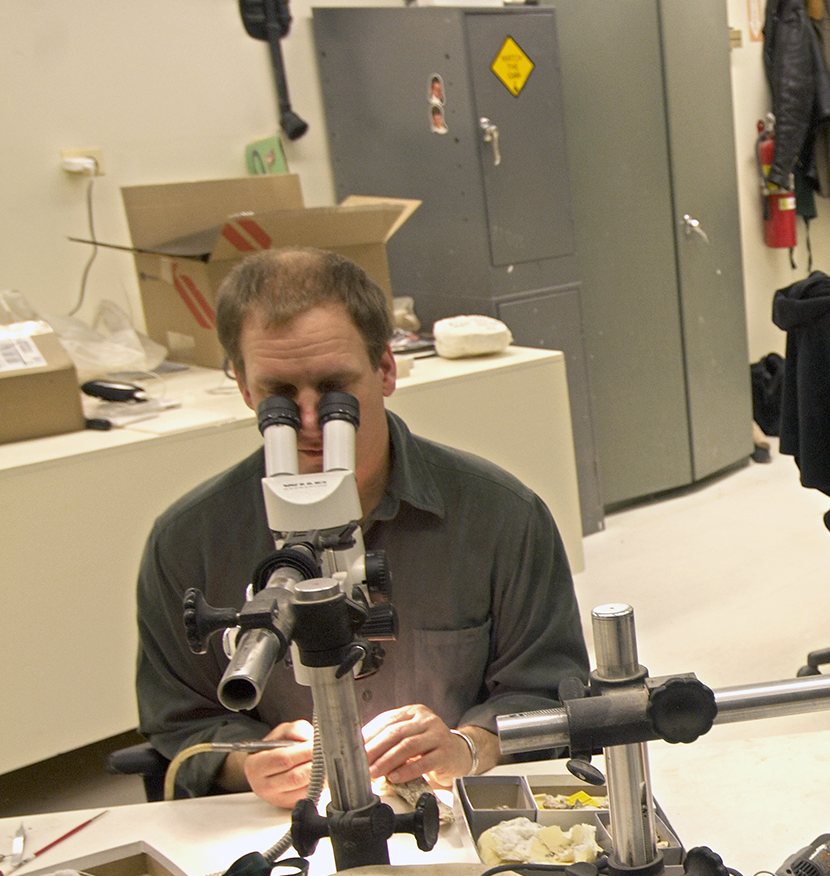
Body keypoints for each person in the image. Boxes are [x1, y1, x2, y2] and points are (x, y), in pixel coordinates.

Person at [136, 247, 590, 804]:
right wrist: (246, 764)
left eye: (333, 389)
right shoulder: (188, 541)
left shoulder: (501, 518)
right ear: (244, 390)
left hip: (450, 809)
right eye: (278, 395)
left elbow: (552, 695)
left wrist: (469, 745)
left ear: (386, 369)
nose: (307, 420)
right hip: (291, 822)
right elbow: (178, 729)